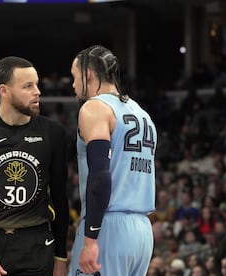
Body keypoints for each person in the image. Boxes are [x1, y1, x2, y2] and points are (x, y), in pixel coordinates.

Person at [0, 56, 69, 276]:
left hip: (37, 244)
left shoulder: (53, 134)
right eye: (28, 86)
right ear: (4, 91)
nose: (37, 91)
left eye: (37, 84)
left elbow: (60, 198)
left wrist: (60, 257)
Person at [68, 45, 157, 275]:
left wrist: (90, 239)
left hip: (108, 227)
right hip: (142, 232)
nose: (73, 84)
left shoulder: (94, 108)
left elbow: (101, 177)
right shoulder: (142, 113)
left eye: (74, 76)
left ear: (88, 74)